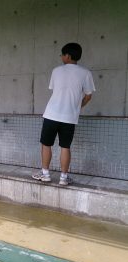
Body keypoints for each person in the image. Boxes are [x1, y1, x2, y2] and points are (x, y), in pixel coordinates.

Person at [32, 43, 95, 186]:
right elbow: (88, 95)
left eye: (62, 54)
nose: (61, 57)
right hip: (69, 117)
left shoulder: (56, 71)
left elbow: (54, 90)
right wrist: (77, 106)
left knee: (46, 144)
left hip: (51, 114)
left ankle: (45, 174)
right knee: (65, 147)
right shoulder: (85, 73)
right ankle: (63, 178)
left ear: (68, 56)